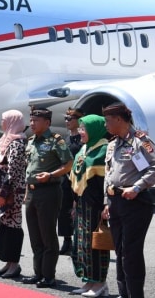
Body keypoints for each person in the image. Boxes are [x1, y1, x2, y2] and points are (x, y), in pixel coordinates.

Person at [102, 102, 155, 298]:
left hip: (135, 203)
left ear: (120, 120)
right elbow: (108, 174)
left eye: (108, 121)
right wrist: (106, 202)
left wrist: (137, 187)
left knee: (131, 252)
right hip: (116, 202)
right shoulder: (113, 144)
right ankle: (124, 293)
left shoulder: (140, 141)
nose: (106, 125)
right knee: (120, 252)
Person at [22, 108, 73, 289]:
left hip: (49, 191)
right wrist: (27, 192)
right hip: (32, 192)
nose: (32, 123)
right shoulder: (31, 141)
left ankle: (49, 276)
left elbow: (69, 164)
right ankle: (39, 273)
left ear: (47, 123)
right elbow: (30, 168)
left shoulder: (55, 141)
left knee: (47, 235)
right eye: (31, 120)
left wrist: (51, 175)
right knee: (35, 236)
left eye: (36, 120)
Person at [68, 115, 110, 297]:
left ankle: (100, 283)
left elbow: (104, 182)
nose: (80, 132)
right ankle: (88, 280)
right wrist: (75, 201)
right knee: (81, 242)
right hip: (82, 202)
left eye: (84, 129)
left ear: (94, 129)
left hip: (96, 205)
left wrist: (105, 206)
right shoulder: (86, 148)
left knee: (95, 243)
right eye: (80, 129)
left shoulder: (103, 149)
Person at [0, 110, 27, 279]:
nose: (1, 122)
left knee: (13, 228)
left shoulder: (17, 144)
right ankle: (8, 263)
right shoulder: (6, 141)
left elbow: (14, 173)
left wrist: (4, 194)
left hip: (13, 193)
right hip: (4, 191)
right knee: (4, 226)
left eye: (4, 119)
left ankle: (14, 264)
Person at [59, 107, 85, 255]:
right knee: (64, 210)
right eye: (66, 119)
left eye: (70, 119)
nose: (67, 121)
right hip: (66, 180)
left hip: (79, 180)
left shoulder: (83, 139)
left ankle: (78, 241)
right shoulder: (65, 139)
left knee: (78, 211)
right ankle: (66, 240)